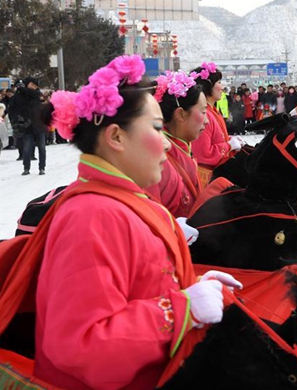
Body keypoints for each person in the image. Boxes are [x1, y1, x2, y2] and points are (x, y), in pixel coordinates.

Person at [32, 55, 241, 389]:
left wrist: (189, 283)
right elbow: (81, 345)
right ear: (116, 137)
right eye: (157, 128)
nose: (165, 143)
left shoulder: (125, 199)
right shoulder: (91, 216)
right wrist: (180, 310)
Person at [146, 70, 207, 218]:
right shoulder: (158, 161)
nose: (207, 121)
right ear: (180, 114)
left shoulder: (182, 147)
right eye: (203, 112)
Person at [190, 62, 244, 187]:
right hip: (208, 180)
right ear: (208, 86)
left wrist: (229, 140)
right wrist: (228, 146)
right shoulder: (205, 115)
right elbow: (203, 153)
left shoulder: (213, 111)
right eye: (219, 82)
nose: (222, 86)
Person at [9, 77, 43, 174]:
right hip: (26, 125)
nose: (33, 87)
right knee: (26, 147)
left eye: (35, 85)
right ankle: (26, 168)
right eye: (32, 85)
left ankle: (41, 167)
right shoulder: (18, 96)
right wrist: (15, 120)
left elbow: (36, 97)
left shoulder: (35, 94)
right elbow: (12, 109)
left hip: (39, 124)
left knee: (41, 148)